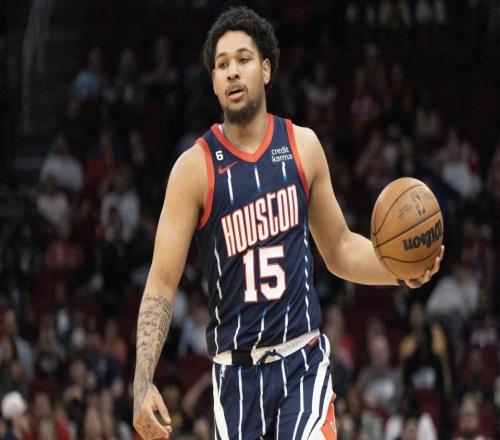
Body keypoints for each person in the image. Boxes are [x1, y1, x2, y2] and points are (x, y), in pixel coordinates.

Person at [132, 6, 444, 440]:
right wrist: (142, 381)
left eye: (243, 59)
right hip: (234, 375)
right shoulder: (194, 168)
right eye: (221, 64)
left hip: (302, 361)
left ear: (266, 70)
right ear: (214, 81)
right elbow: (162, 283)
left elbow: (339, 249)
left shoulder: (303, 146)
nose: (232, 71)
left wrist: (400, 272)